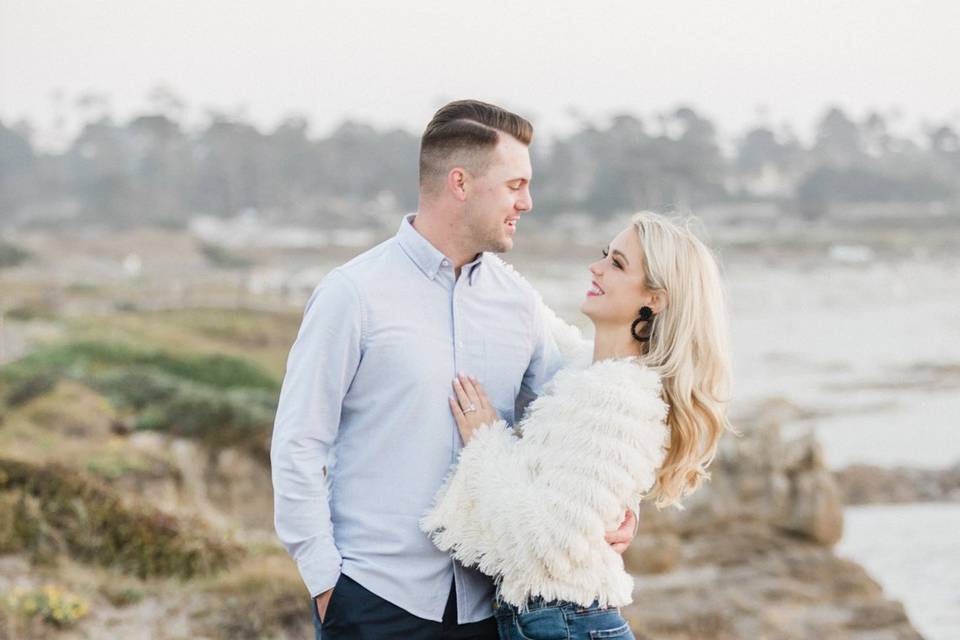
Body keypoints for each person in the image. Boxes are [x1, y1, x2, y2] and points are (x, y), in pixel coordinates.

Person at [270, 99, 639, 640]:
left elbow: (580, 414)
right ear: (461, 183)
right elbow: (298, 444)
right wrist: (326, 584)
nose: (528, 202)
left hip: (489, 609)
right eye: (515, 185)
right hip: (373, 601)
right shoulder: (353, 295)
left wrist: (620, 504)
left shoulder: (519, 304)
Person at [421, 211, 734, 640]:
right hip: (554, 623)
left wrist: (485, 440)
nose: (597, 267)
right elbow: (530, 310)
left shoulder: (617, 398)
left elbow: (544, 544)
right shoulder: (584, 367)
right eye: (605, 255)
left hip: (564, 625)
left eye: (618, 264)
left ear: (655, 299)